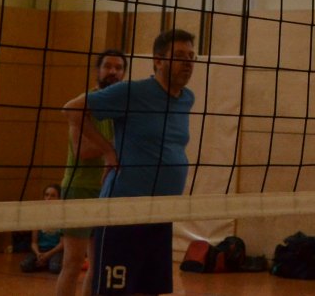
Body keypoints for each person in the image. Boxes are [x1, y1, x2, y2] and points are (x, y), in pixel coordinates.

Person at [65, 29, 198, 296]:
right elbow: (72, 109)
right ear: (158, 60)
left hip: (161, 215)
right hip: (124, 213)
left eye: (191, 57)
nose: (187, 62)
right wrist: (108, 150)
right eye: (179, 56)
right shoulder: (132, 92)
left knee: (150, 290)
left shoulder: (187, 98)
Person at [54, 49, 129, 296]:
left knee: (98, 266)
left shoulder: (120, 108)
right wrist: (112, 147)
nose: (113, 71)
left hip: (106, 191)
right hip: (79, 188)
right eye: (108, 66)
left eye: (118, 68)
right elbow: (81, 151)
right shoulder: (83, 103)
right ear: (98, 71)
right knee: (73, 262)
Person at [21, 184, 65, 274]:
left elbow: (62, 244)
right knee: (25, 265)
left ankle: (45, 263)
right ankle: (43, 262)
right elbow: (34, 242)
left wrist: (48, 255)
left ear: (59, 198)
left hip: (55, 251)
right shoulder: (38, 216)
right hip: (40, 250)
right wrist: (38, 254)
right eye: (47, 195)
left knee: (55, 268)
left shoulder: (62, 217)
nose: (48, 198)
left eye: (53, 196)